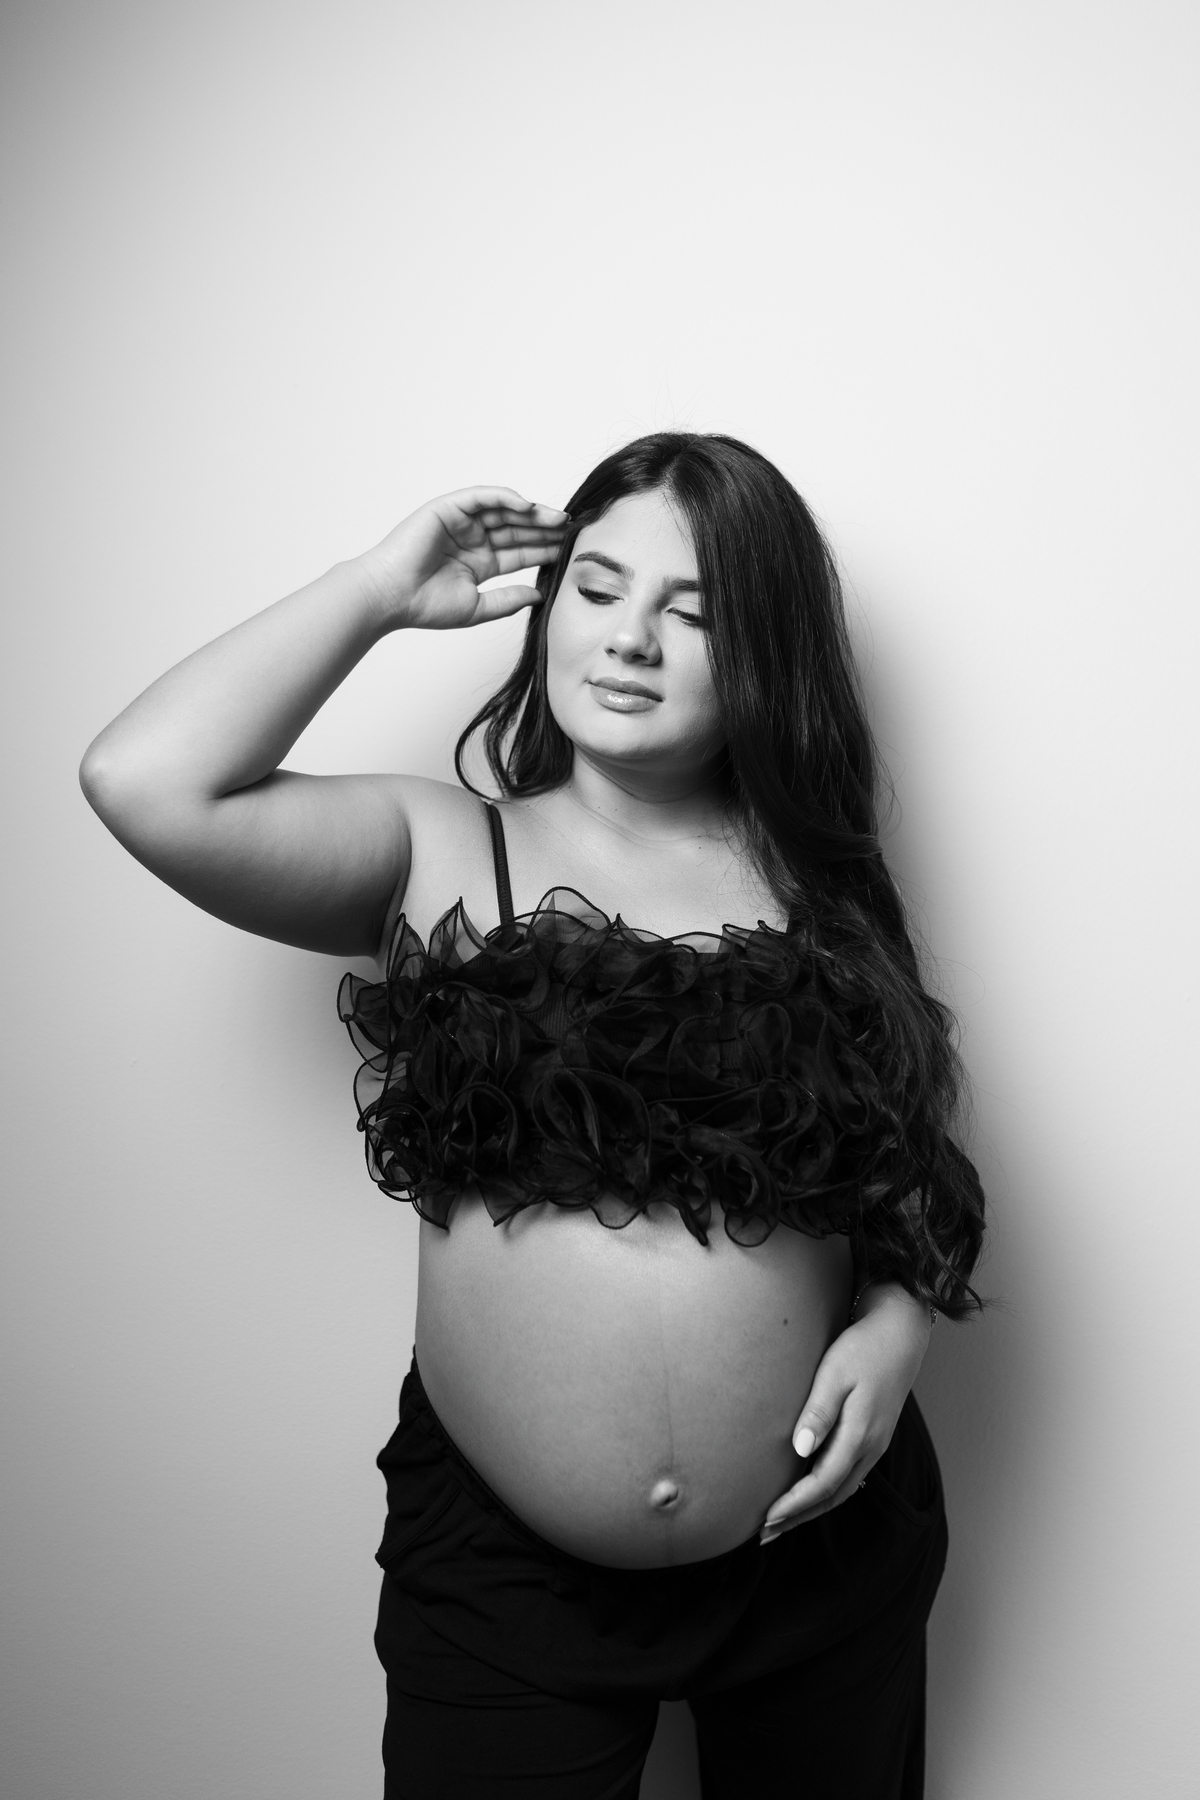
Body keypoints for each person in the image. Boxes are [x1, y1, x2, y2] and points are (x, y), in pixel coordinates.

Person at [80, 431, 984, 1799]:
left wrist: (901, 1318)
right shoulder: (440, 846)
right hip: (506, 1585)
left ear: (766, 653)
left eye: (693, 612)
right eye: (599, 588)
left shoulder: (823, 887)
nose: (630, 638)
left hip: (822, 1557)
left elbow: (904, 1155)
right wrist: (376, 589)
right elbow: (143, 779)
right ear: (549, 608)